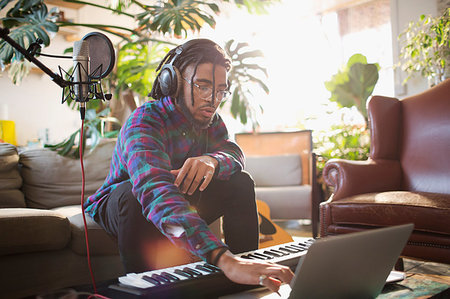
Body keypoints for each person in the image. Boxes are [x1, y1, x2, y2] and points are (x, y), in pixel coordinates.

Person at [84, 38, 293, 294]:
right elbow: (155, 191)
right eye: (203, 86)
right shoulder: (145, 120)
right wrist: (222, 258)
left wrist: (213, 161)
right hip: (127, 204)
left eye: (220, 90)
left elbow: (234, 153)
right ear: (172, 82)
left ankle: (246, 274)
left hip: (180, 194)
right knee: (132, 195)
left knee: (241, 182)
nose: (212, 99)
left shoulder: (212, 121)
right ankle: (147, 289)